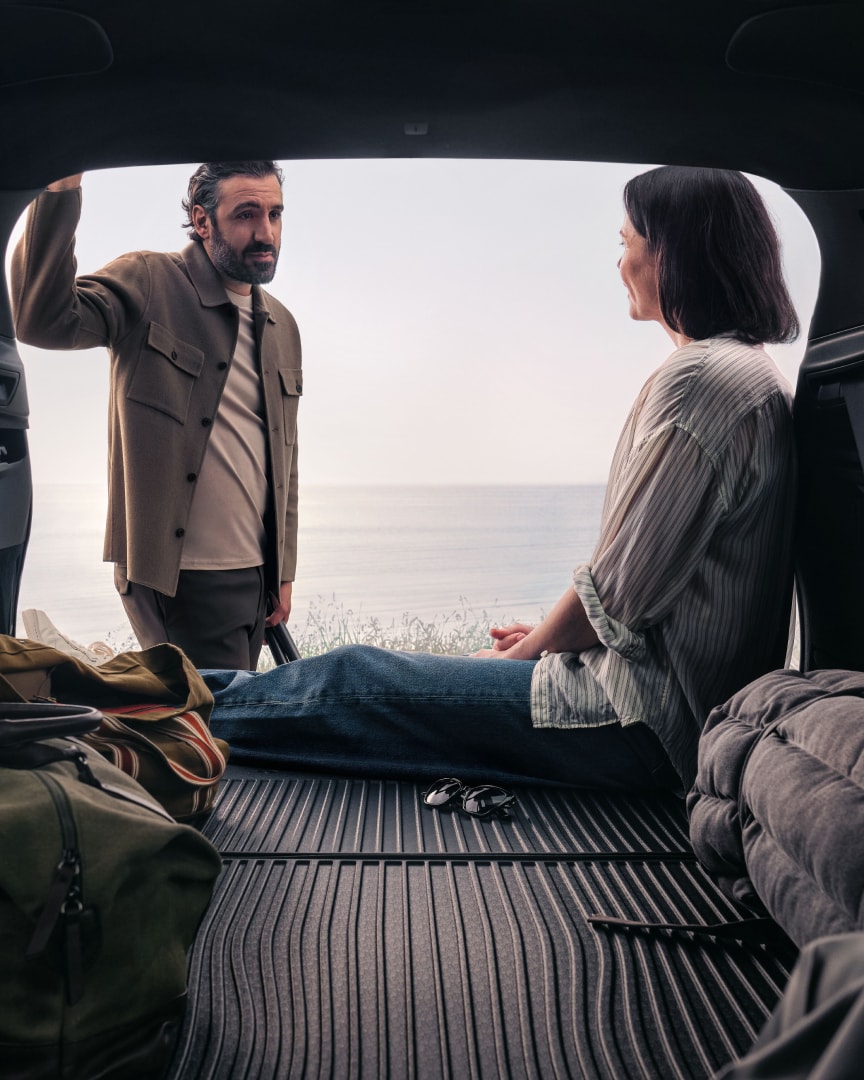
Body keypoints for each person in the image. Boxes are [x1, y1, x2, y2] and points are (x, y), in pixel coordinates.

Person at [204, 164, 799, 795]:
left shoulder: (700, 383)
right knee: (368, 684)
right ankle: (148, 699)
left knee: (354, 678)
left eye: (626, 244)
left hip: (637, 725)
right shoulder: (748, 374)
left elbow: (616, 598)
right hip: (660, 709)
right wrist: (549, 641)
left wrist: (520, 656)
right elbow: (651, 590)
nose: (620, 262)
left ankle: (142, 713)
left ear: (672, 254)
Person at [11, 162, 302, 670]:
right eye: (247, 214)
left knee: (226, 725)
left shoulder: (282, 324)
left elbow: (285, 457)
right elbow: (41, 319)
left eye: (275, 214)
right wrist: (61, 189)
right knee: (216, 727)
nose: (265, 232)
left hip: (256, 576)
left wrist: (283, 568)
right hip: (180, 578)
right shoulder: (150, 281)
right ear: (202, 219)